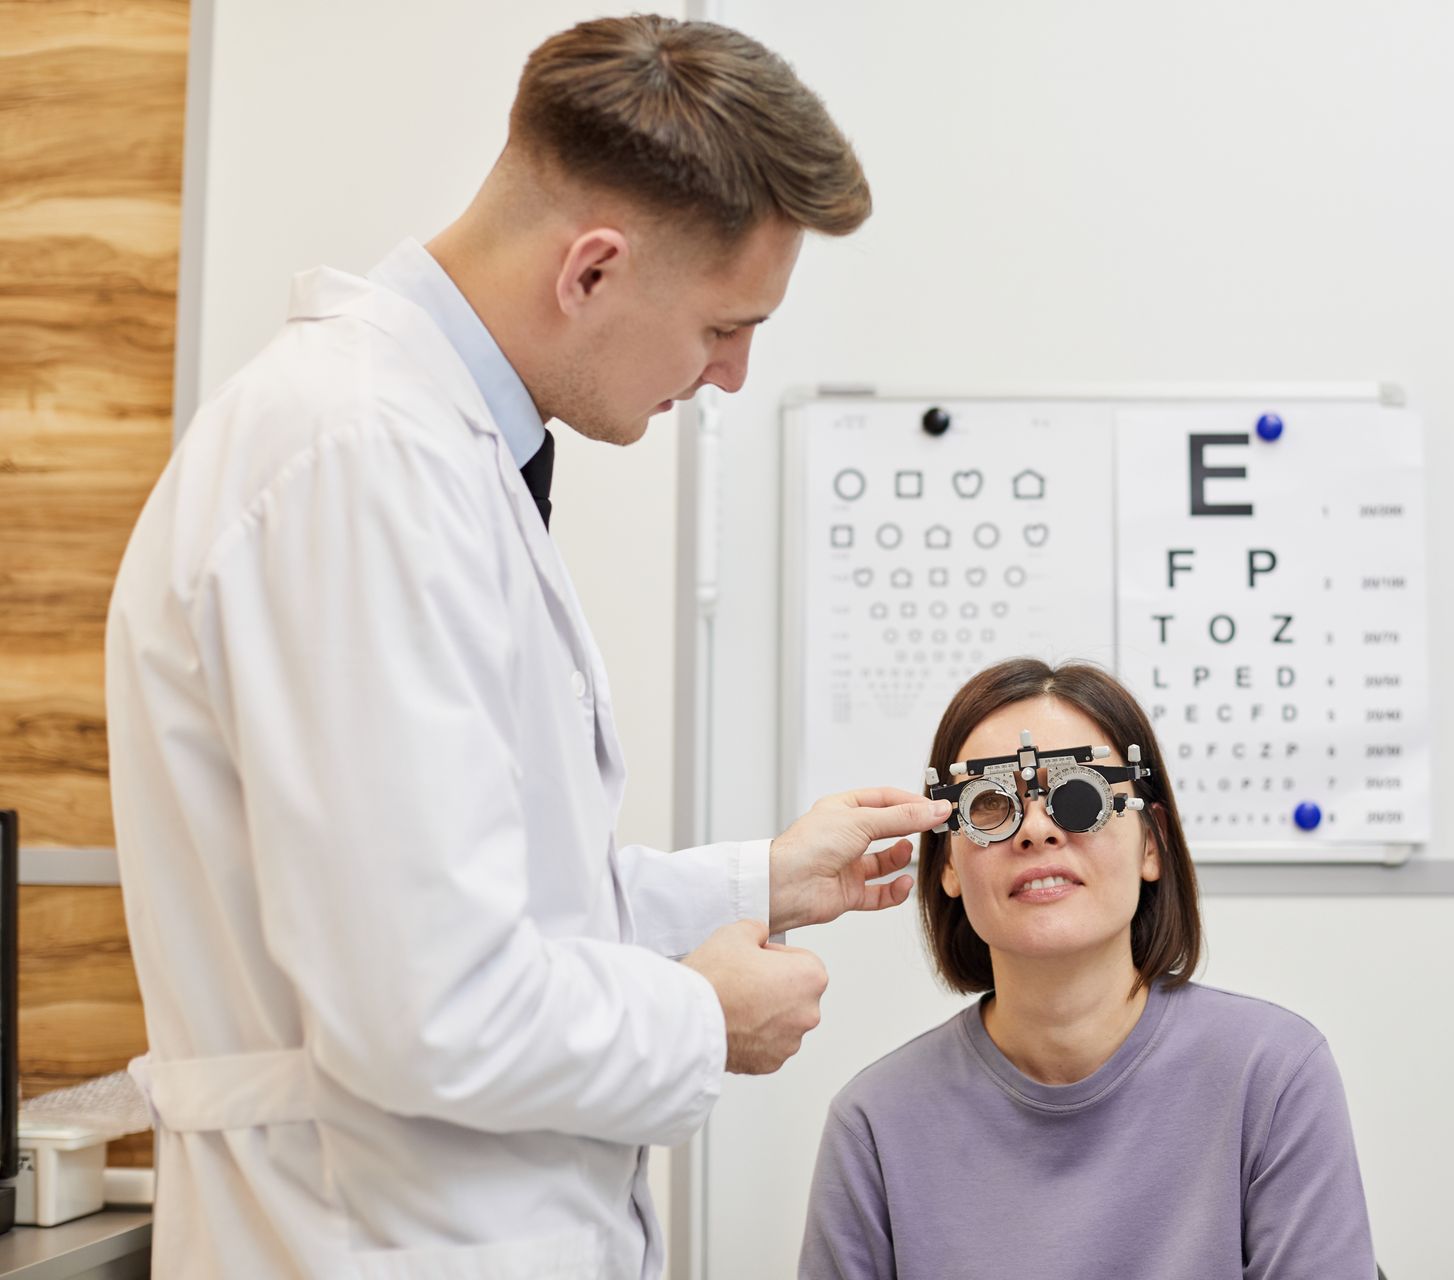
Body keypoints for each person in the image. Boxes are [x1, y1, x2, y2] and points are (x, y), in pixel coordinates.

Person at [105, 16, 950, 1279]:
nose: (729, 376)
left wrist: (757, 880)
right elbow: (425, 1009)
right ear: (592, 270)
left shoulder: (425, 452)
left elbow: (485, 906)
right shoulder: (360, 461)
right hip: (369, 1238)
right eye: (727, 323)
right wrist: (705, 1013)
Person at [800, 660, 1376, 1279]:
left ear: (1150, 843)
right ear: (946, 866)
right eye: (993, 807)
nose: (1039, 830)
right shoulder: (876, 1124)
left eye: (1080, 797)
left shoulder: (1272, 1075)